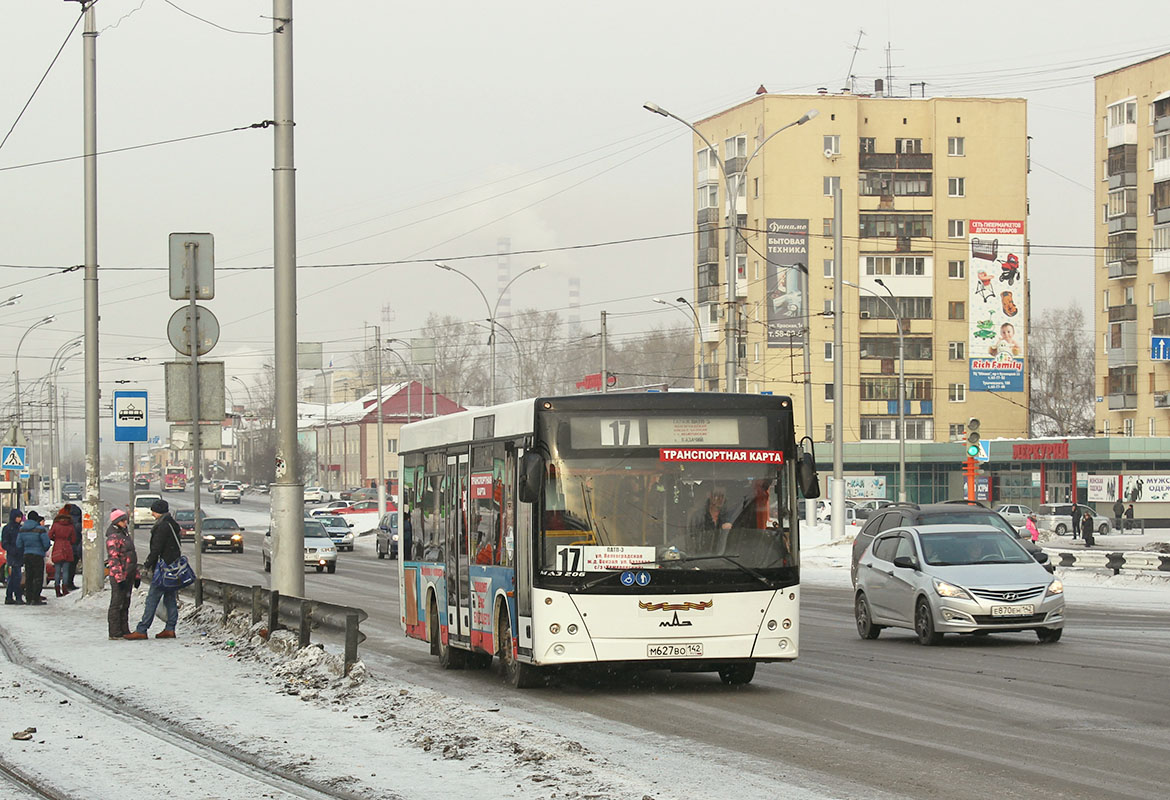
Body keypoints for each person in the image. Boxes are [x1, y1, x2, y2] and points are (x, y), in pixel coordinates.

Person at [124, 499, 182, 640]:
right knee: (170, 598)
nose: (152, 513)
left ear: (159, 512)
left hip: (163, 568)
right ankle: (170, 628)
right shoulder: (173, 525)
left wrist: (148, 564)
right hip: (173, 567)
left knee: (152, 599)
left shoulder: (162, 527)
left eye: (154, 511)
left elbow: (156, 548)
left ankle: (142, 629)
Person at [105, 509, 139, 640]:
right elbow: (114, 559)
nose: (126, 523)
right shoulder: (114, 537)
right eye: (123, 520)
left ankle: (124, 629)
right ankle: (114, 631)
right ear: (117, 522)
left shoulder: (124, 535)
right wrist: (119, 578)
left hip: (128, 575)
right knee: (116, 604)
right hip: (120, 576)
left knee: (125, 604)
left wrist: (135, 575)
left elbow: (131, 556)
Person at [17, 512, 51, 605]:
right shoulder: (40, 529)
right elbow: (46, 544)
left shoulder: (22, 529)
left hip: (27, 555)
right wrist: (42, 550)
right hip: (38, 555)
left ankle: (28, 598)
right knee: (38, 577)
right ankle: (35, 598)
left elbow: (18, 544)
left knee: (29, 576)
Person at [689, 486, 733, 553]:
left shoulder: (730, 517)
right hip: (700, 558)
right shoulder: (698, 517)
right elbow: (691, 542)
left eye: (722, 496)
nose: (719, 499)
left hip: (725, 559)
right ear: (710, 496)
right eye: (716, 495)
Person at [48, 508, 75, 597]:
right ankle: (65, 588)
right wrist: (68, 541)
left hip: (57, 547)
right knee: (66, 570)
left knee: (57, 570)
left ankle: (57, 588)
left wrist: (56, 539)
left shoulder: (55, 525)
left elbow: (50, 535)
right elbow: (74, 539)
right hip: (67, 547)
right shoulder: (70, 525)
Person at [2, 509, 25, 605]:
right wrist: (12, 550)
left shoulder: (20, 528)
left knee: (13, 577)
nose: (19, 519)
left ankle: (9, 596)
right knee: (16, 576)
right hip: (12, 555)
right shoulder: (8, 528)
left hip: (19, 555)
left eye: (20, 517)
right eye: (18, 517)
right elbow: (4, 543)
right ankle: (17, 596)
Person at [67, 502, 82, 590]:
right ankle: (70, 583)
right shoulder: (79, 523)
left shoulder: (66, 521)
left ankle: (66, 584)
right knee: (72, 567)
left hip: (66, 547)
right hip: (76, 547)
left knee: (67, 567)